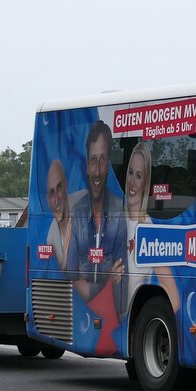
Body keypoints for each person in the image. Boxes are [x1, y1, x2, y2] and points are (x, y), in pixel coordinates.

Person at [67, 121, 126, 303]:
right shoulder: (77, 212)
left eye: (102, 160)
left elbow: (121, 283)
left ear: (109, 164)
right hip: (84, 313)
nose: (98, 171)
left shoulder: (119, 212)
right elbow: (72, 275)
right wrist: (107, 281)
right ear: (87, 163)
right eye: (93, 160)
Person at [123, 140, 180, 313]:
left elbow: (175, 299)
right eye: (131, 173)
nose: (132, 182)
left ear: (146, 183)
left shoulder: (149, 230)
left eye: (139, 176)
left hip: (123, 322)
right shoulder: (112, 219)